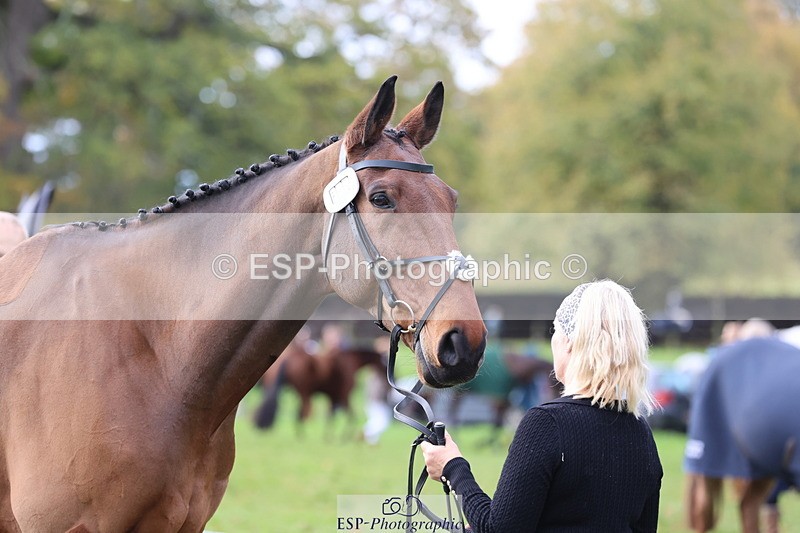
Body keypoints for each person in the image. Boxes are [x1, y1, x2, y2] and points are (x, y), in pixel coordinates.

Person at [421, 280, 663, 532]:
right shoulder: (641, 433)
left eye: (555, 331)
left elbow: (499, 529)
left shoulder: (546, 424)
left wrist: (452, 466)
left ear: (569, 343)